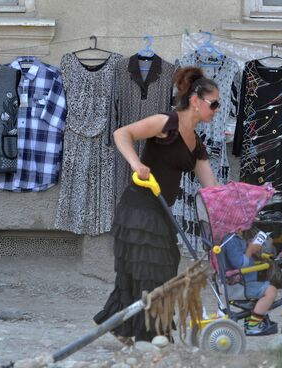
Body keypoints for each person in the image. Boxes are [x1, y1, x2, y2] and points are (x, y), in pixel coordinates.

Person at [93, 67, 219, 343]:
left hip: (161, 213)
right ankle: (145, 335)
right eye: (214, 104)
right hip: (138, 207)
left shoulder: (196, 142)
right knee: (145, 272)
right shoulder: (165, 122)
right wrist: (137, 164)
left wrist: (239, 201)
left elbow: (212, 188)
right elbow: (121, 134)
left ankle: (138, 332)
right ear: (196, 101)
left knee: (161, 268)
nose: (217, 110)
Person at [221, 227, 278, 336]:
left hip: (244, 281)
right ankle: (253, 326)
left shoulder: (234, 238)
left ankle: (252, 318)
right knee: (271, 291)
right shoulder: (230, 240)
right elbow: (239, 263)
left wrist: (250, 247)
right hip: (239, 285)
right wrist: (250, 250)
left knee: (266, 283)